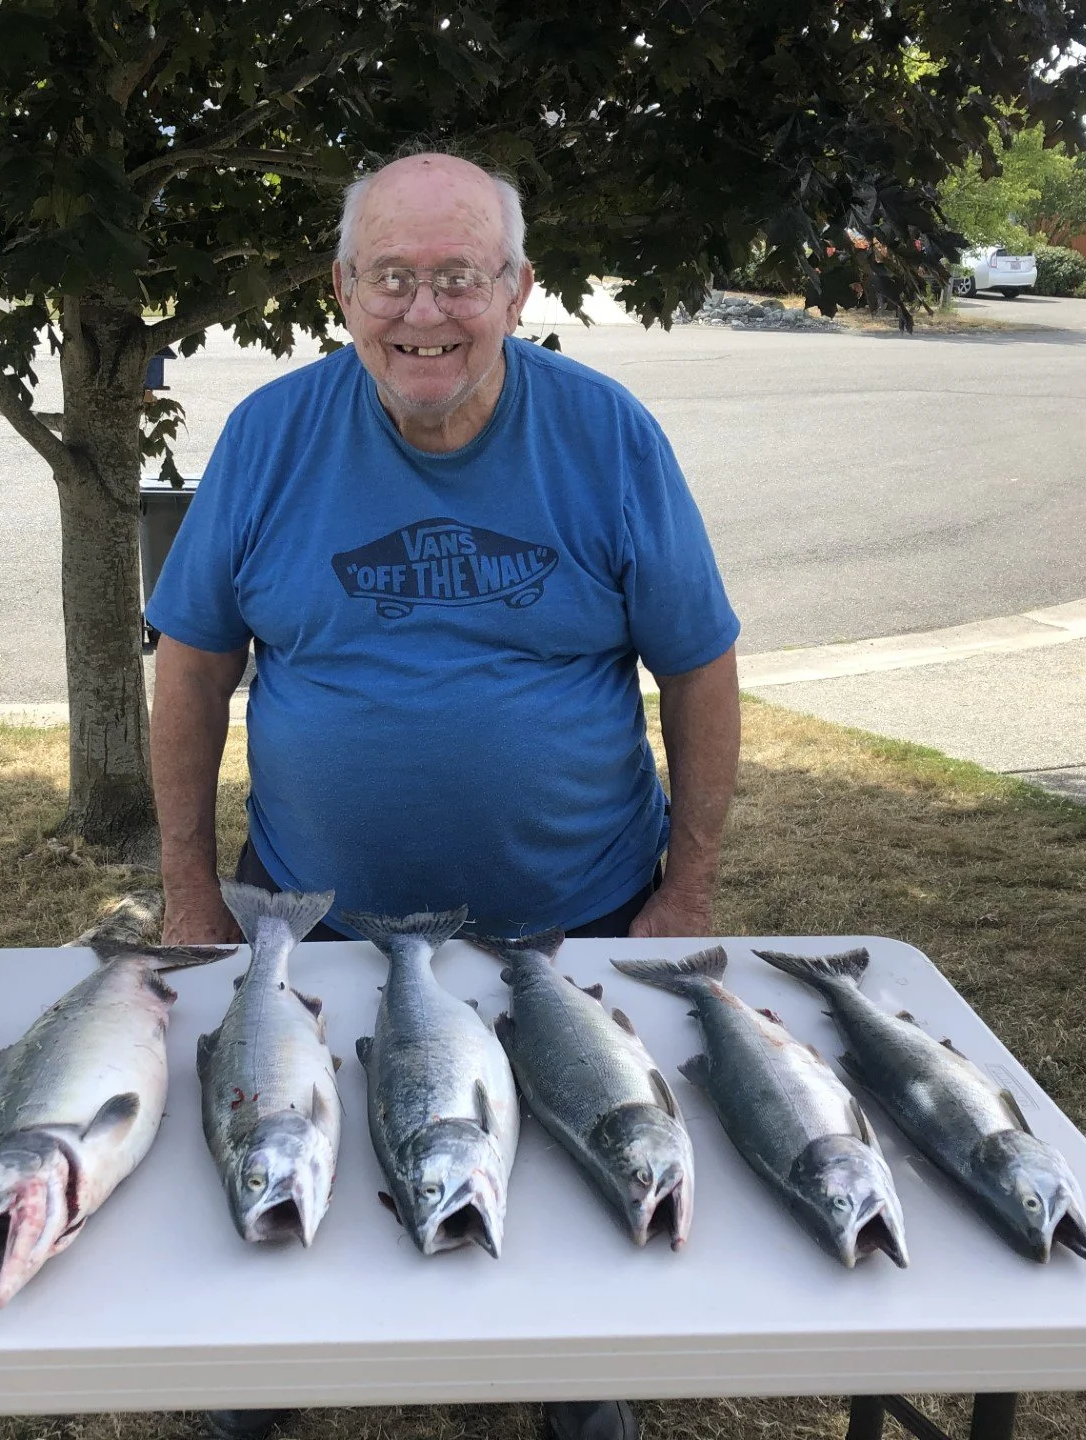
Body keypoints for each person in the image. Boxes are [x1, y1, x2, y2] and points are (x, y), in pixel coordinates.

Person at [145, 152, 741, 1440]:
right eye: (393, 280)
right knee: (271, 1180)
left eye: (460, 278)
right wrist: (191, 885)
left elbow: (698, 666)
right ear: (343, 290)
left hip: (574, 921)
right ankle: (258, 1395)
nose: (426, 316)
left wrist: (686, 886)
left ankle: (578, 1395)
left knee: (590, 1185)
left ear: (519, 288)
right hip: (310, 929)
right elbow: (192, 666)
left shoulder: (609, 433)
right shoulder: (268, 435)